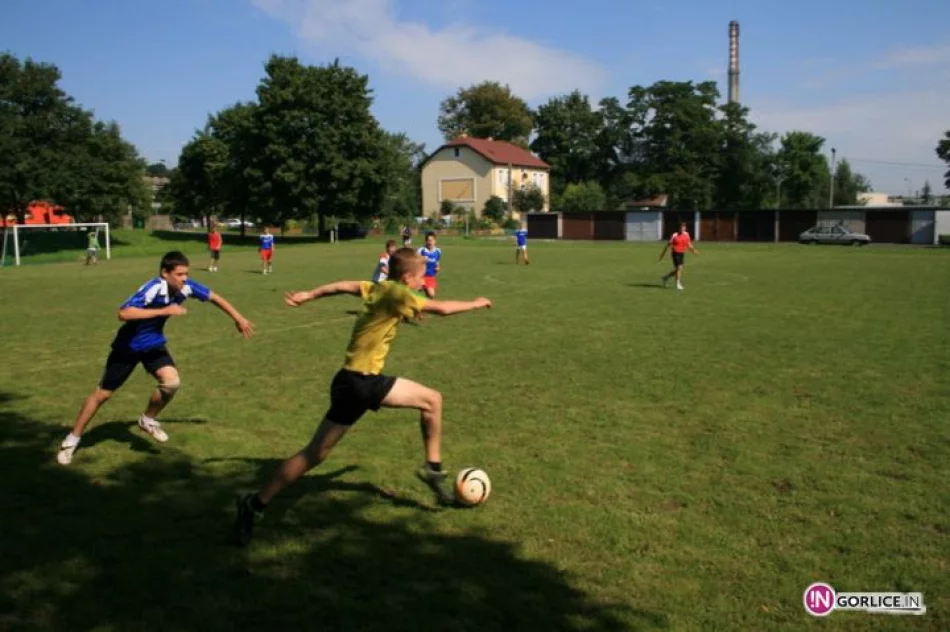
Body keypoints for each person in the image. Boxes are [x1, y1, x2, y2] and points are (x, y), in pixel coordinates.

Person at [233, 248, 492, 545]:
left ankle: (255, 504)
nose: (425, 281)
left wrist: (310, 294)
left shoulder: (379, 287)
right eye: (422, 277)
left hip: (350, 382)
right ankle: (433, 471)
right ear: (407, 276)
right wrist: (476, 303)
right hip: (363, 383)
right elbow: (442, 309)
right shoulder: (398, 293)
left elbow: (344, 286)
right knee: (431, 401)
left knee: (315, 453)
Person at [56, 251, 254, 465]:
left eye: (186, 273)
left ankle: (147, 419)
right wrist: (163, 311)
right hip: (128, 347)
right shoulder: (153, 288)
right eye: (179, 274)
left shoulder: (186, 287)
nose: (185, 278)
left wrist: (239, 318)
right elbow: (123, 313)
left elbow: (215, 297)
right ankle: (72, 439)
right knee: (102, 395)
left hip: (153, 345)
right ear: (165, 273)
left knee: (172, 383)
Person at [659, 222, 699, 290]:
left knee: (678, 269)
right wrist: (663, 255)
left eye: (683, 227)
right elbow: (668, 245)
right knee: (679, 268)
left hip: (682, 253)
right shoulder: (675, 235)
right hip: (675, 253)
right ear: (679, 228)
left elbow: (688, 244)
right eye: (681, 227)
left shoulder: (686, 234)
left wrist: (694, 250)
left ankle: (665, 277)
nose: (682, 229)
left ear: (685, 228)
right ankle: (678, 284)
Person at [416, 232, 442, 298]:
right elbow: (415, 262)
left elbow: (437, 262)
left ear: (435, 241)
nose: (430, 242)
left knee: (431, 295)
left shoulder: (438, 251)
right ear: (426, 241)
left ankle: (428, 306)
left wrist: (438, 267)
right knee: (415, 292)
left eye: (432, 240)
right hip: (420, 276)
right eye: (428, 240)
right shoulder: (421, 250)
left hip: (430, 276)